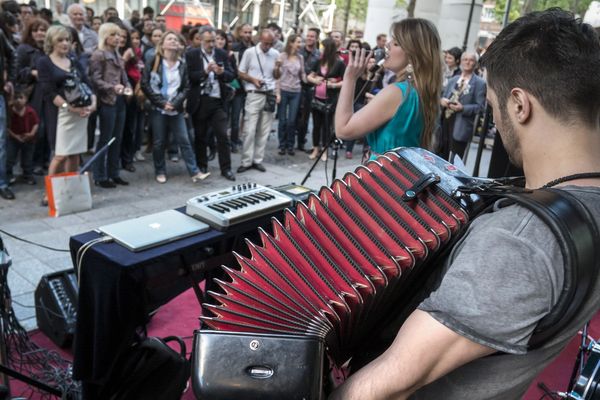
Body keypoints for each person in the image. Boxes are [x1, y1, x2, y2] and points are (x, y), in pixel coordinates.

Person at [329, 9, 600, 399]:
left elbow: (388, 384)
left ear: (520, 105)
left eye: (493, 105)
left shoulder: (519, 240)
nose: (495, 116)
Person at [335, 19, 442, 160]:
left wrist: (349, 78)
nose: (387, 45)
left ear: (413, 55)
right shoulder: (419, 90)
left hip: (383, 176)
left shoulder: (397, 92)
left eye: (396, 43)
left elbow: (343, 130)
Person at [38, 25, 96, 204]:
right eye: (60, 40)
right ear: (52, 42)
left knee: (74, 153)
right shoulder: (44, 62)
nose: (65, 43)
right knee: (60, 154)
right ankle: (49, 193)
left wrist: (93, 104)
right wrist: (69, 108)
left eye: (67, 40)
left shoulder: (73, 59)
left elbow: (87, 82)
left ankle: (69, 190)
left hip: (80, 113)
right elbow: (48, 92)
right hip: (60, 113)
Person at [141, 30, 207, 184]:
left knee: (184, 139)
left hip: (175, 108)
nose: (173, 42)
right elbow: (145, 84)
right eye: (170, 39)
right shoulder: (154, 60)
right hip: (159, 107)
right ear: (162, 44)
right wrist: (162, 103)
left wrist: (175, 103)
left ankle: (194, 171)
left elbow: (186, 87)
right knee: (159, 141)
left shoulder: (182, 63)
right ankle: (160, 171)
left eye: (176, 40)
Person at [186, 26, 236, 181]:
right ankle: (202, 165)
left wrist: (222, 73)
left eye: (213, 41)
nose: (212, 44)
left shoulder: (221, 53)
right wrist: (205, 72)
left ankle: (226, 169)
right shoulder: (192, 54)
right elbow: (189, 77)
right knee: (200, 136)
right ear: (200, 40)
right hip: (200, 100)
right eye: (208, 41)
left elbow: (231, 75)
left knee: (222, 134)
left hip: (217, 100)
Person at [90, 22, 131, 188]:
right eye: (114, 35)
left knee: (117, 138)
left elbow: (123, 75)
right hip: (108, 100)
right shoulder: (98, 54)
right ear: (105, 36)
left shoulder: (117, 54)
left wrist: (127, 86)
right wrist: (112, 87)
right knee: (105, 139)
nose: (118, 38)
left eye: (119, 35)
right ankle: (99, 175)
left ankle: (113, 173)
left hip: (120, 99)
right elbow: (95, 79)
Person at [236, 29, 279, 173]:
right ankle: (246, 161)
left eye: (270, 44)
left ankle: (258, 160)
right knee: (249, 129)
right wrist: (253, 79)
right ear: (260, 39)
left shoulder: (275, 54)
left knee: (264, 130)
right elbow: (240, 72)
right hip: (254, 94)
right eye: (265, 43)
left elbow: (277, 76)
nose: (268, 46)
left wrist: (278, 67)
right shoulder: (250, 52)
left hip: (269, 94)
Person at [440, 51, 486, 163]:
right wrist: (442, 101)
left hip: (461, 126)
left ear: (475, 63)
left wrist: (463, 108)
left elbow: (481, 107)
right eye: (465, 59)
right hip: (444, 123)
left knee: (455, 162)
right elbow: (442, 96)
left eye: (471, 60)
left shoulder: (480, 83)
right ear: (460, 61)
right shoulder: (453, 80)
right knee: (440, 157)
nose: (467, 62)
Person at [16, 17, 48, 176]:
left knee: (47, 129)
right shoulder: (23, 49)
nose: (40, 33)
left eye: (43, 30)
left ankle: (44, 161)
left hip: (48, 94)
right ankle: (32, 164)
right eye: (36, 30)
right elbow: (17, 72)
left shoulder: (48, 48)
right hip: (32, 94)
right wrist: (32, 73)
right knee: (36, 129)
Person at [307, 38, 345, 161]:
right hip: (316, 98)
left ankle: (324, 150)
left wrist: (333, 85)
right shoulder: (318, 61)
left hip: (330, 100)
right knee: (316, 126)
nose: (322, 50)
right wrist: (315, 80)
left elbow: (346, 82)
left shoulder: (339, 63)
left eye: (324, 47)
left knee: (326, 126)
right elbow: (309, 76)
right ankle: (315, 148)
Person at [274, 33, 305, 156]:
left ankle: (290, 145)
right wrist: (277, 93)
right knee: (282, 120)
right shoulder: (282, 56)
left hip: (296, 91)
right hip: (283, 89)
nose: (300, 44)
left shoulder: (300, 58)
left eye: (301, 42)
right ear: (291, 43)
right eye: (298, 42)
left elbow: (302, 74)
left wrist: (312, 79)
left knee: (292, 120)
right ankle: (282, 145)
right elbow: (277, 76)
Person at [6, 87, 39, 186]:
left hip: (28, 139)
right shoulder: (10, 112)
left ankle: (27, 175)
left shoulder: (30, 111)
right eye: (16, 98)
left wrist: (32, 133)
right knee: (10, 158)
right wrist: (15, 136)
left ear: (26, 99)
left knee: (27, 158)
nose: (18, 100)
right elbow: (7, 126)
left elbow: (36, 123)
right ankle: (8, 175)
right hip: (13, 139)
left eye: (21, 98)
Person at [297, 27, 320, 152]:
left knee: (305, 117)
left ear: (316, 39)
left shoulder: (319, 54)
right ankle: (290, 142)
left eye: (312, 36)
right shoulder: (299, 51)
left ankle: (301, 142)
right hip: (297, 86)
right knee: (295, 116)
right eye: (308, 35)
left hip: (310, 88)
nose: (310, 38)